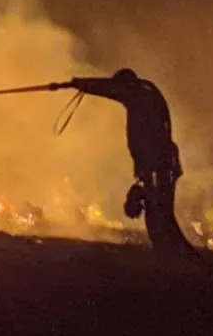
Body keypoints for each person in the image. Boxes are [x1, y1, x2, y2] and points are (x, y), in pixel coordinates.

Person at [53, 69, 195, 255]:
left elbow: (109, 89)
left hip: (158, 164)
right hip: (162, 163)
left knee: (158, 212)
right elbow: (109, 87)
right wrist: (76, 83)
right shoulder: (147, 90)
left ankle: (173, 253)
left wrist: (78, 84)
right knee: (160, 211)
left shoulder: (139, 95)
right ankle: (174, 252)